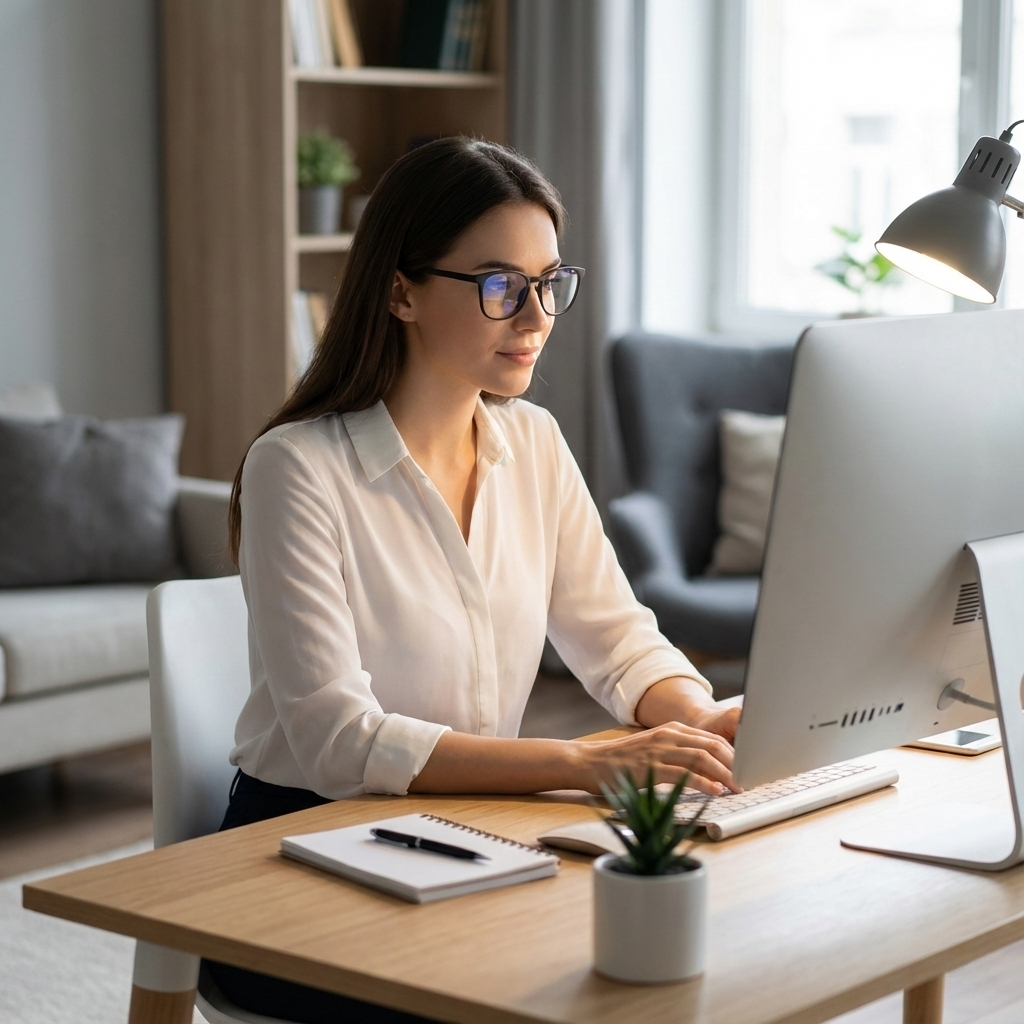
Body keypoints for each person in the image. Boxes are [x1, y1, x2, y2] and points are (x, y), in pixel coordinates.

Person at [206, 137, 740, 1023]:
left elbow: (616, 637)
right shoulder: (295, 469)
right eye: (500, 285)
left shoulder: (532, 443)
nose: (534, 315)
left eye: (549, 282)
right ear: (401, 289)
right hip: (294, 850)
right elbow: (341, 740)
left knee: (665, 955)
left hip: (463, 828)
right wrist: (582, 766)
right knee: (540, 990)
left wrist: (699, 720)